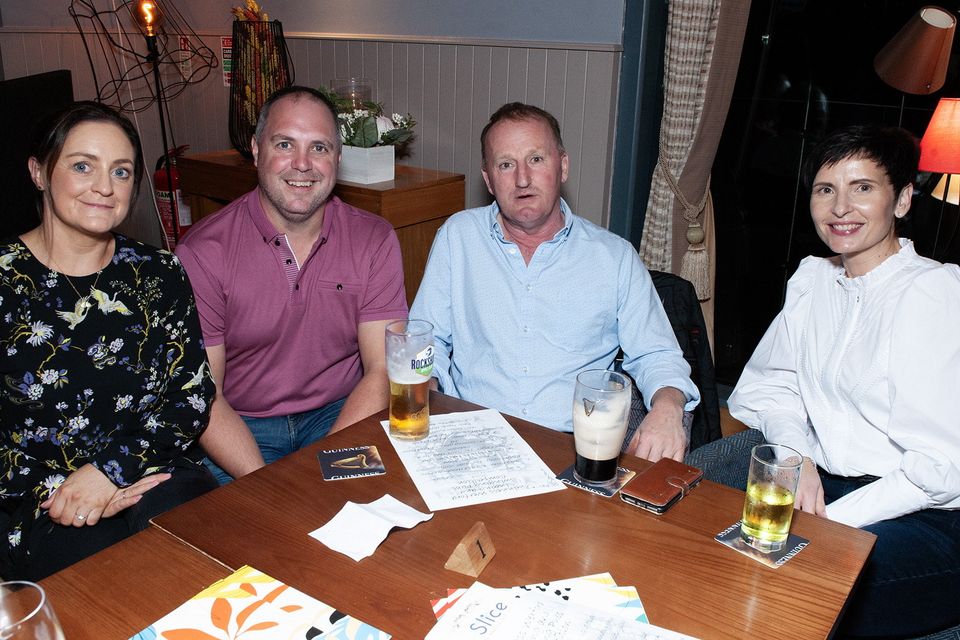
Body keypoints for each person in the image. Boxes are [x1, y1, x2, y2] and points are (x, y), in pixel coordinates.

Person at [728, 124, 960, 638]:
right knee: (704, 541)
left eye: (863, 188)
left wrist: (829, 521)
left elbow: (940, 468)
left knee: (791, 588)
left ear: (900, 200)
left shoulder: (932, 294)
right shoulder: (814, 280)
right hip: (833, 482)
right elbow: (776, 385)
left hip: (931, 518)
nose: (840, 208)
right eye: (825, 189)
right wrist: (795, 459)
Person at [0, 101, 217, 580]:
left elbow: (191, 397)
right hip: (40, 500)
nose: (104, 187)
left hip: (154, 472)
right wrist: (66, 490)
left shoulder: (159, 272)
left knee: (209, 553)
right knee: (112, 579)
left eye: (121, 171)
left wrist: (108, 473)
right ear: (38, 171)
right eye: (83, 166)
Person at [410, 103, 699, 462]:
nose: (521, 179)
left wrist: (669, 407)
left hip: (571, 448)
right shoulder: (458, 237)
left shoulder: (614, 257)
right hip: (471, 436)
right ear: (488, 179)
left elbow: (657, 355)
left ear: (562, 166)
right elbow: (425, 338)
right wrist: (427, 391)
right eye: (505, 164)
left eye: (535, 159)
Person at [176, 86, 407, 484]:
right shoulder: (202, 252)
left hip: (339, 413)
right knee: (255, 534)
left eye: (319, 148)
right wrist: (270, 487)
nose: (303, 164)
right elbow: (207, 396)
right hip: (242, 425)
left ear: (338, 157)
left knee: (379, 514)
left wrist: (327, 472)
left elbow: (383, 369)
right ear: (256, 149)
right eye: (285, 144)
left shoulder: (375, 239)